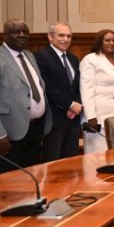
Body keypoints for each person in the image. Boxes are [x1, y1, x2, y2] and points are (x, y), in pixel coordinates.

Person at [0, 19, 52, 173]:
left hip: (35, 129)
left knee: (32, 175)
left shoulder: (29, 56)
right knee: (10, 179)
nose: (22, 35)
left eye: (25, 32)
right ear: (5, 35)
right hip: (9, 132)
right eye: (16, 32)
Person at [35, 22, 83, 162]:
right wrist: (69, 104)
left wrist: (76, 104)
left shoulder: (73, 59)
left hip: (73, 119)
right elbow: (47, 87)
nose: (66, 39)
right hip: (54, 119)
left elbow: (78, 86)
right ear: (50, 37)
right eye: (61, 35)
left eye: (69, 36)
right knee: (54, 163)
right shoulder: (41, 57)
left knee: (71, 162)